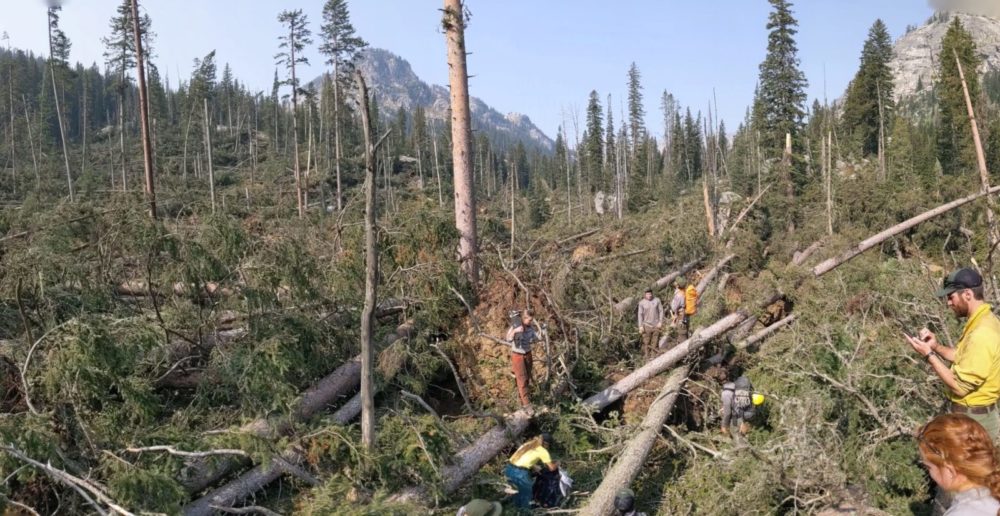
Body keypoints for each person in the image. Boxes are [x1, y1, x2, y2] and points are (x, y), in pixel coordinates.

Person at [904, 268, 1000, 439]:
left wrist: (928, 355)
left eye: (951, 296)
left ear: (967, 294)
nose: (948, 302)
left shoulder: (982, 333)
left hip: (974, 423)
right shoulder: (983, 321)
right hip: (972, 418)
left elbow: (960, 387)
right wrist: (935, 347)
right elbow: (961, 357)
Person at [917, 413, 1000, 515]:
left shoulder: (961, 512)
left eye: (928, 467)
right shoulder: (993, 492)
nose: (930, 474)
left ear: (950, 471)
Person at [504, 433, 558, 509]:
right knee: (527, 495)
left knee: (517, 493)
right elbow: (551, 468)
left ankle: (516, 511)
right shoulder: (543, 451)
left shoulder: (529, 444)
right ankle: (525, 512)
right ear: (546, 443)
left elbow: (523, 458)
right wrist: (557, 464)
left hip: (509, 469)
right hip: (520, 473)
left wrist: (534, 466)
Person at [506, 310, 538, 407]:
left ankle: (525, 399)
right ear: (524, 318)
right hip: (518, 356)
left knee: (527, 378)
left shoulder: (530, 328)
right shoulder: (515, 326)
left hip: (528, 354)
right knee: (522, 380)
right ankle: (527, 405)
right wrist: (515, 331)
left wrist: (542, 332)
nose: (531, 321)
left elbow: (536, 338)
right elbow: (508, 339)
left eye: (532, 320)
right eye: (530, 320)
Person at [637, 289, 664, 358]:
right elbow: (640, 315)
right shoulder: (641, 303)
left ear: (652, 293)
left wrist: (660, 321)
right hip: (646, 325)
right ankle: (647, 358)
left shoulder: (657, 300)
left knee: (655, 342)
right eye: (647, 294)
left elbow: (661, 311)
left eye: (650, 294)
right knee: (647, 343)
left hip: (656, 325)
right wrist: (640, 326)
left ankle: (654, 357)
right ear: (645, 294)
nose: (649, 295)